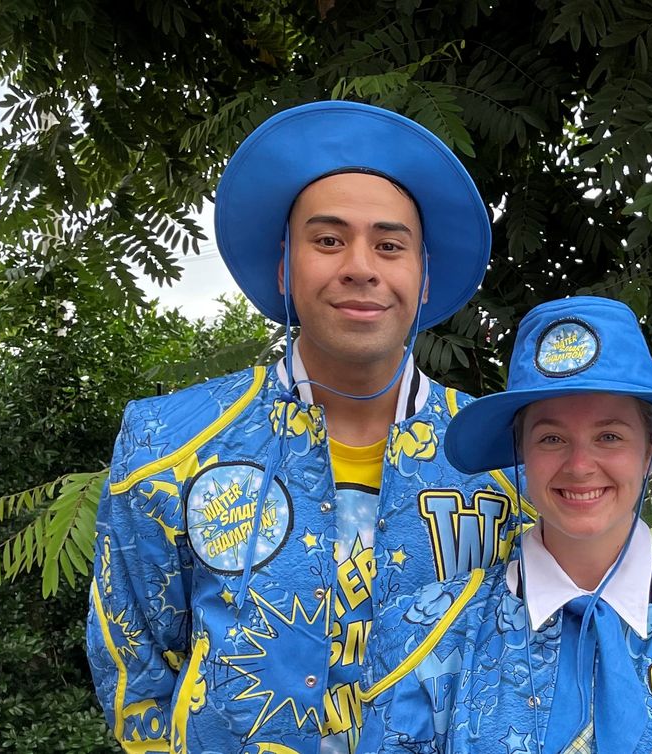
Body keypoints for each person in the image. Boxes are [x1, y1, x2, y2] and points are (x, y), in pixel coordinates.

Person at [86, 101, 529, 753]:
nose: (360, 266)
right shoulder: (167, 446)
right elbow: (135, 672)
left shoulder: (505, 465)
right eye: (327, 240)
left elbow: (528, 668)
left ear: (424, 276)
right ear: (283, 268)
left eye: (389, 245)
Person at [360, 296, 652, 754]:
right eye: (552, 438)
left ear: (650, 447)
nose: (580, 465)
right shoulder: (425, 641)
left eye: (609, 436)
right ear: (521, 450)